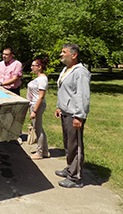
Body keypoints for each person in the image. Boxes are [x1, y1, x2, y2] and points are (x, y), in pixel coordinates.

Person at [54, 43, 91, 188]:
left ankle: (75, 178)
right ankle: (70, 168)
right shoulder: (66, 70)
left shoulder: (80, 72)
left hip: (74, 114)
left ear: (74, 55)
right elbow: (64, 91)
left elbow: (82, 95)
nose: (61, 54)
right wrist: (59, 107)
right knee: (68, 143)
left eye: (64, 52)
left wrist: (79, 116)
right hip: (65, 112)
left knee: (75, 145)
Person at [27, 58, 50, 160]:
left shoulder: (42, 79)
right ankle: (45, 151)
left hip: (37, 105)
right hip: (33, 104)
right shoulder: (39, 78)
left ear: (39, 67)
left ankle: (39, 152)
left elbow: (41, 96)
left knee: (38, 129)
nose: (32, 67)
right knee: (39, 127)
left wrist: (35, 111)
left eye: (34, 66)